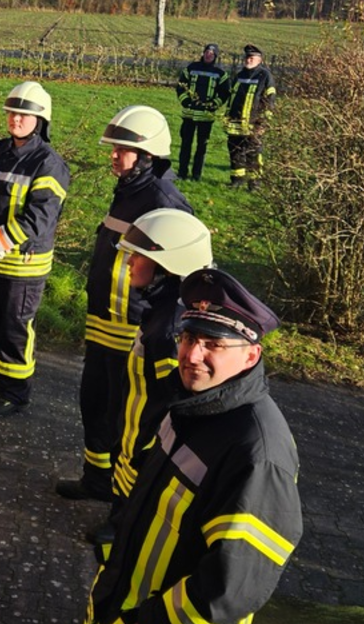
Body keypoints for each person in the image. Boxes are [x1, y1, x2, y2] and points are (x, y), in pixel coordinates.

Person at [85, 268, 302, 624]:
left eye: (213, 344)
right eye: (188, 338)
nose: (191, 355)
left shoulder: (257, 454)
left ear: (251, 356)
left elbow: (227, 591)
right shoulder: (189, 403)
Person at [56, 106, 192, 501]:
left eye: (123, 150)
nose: (114, 156)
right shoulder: (130, 190)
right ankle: (96, 479)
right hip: (104, 324)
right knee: (95, 404)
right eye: (114, 148)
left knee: (128, 421)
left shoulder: (164, 201)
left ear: (147, 155)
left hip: (134, 330)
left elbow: (176, 274)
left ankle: (123, 504)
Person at [89, 209, 214, 546]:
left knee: (137, 480)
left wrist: (146, 442)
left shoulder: (169, 329)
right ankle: (121, 518)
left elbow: (171, 399)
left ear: (166, 267)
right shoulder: (161, 309)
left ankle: (126, 529)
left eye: (139, 256)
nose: (129, 263)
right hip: (135, 427)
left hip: (147, 436)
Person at [0, 81, 70, 417]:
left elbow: (41, 217)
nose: (16, 119)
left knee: (14, 330)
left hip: (23, 265)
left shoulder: (48, 164)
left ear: (41, 120)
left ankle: (14, 392)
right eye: (11, 112)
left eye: (24, 114)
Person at [220, 44, 276, 190]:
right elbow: (232, 98)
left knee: (253, 154)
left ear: (259, 60)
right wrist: (227, 117)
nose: (248, 60)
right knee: (235, 152)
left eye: (251, 58)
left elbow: (270, 100)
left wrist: (263, 123)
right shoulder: (240, 75)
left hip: (253, 124)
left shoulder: (265, 76)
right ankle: (236, 180)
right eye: (247, 57)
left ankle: (254, 183)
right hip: (235, 122)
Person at [175, 43, 228, 181]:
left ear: (215, 56)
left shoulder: (220, 74)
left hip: (206, 117)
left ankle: (196, 175)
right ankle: (182, 173)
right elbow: (181, 86)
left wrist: (213, 105)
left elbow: (224, 93)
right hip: (189, 114)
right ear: (203, 53)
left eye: (212, 54)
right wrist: (186, 101)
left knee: (201, 147)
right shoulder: (191, 68)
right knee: (185, 145)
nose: (208, 55)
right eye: (207, 52)